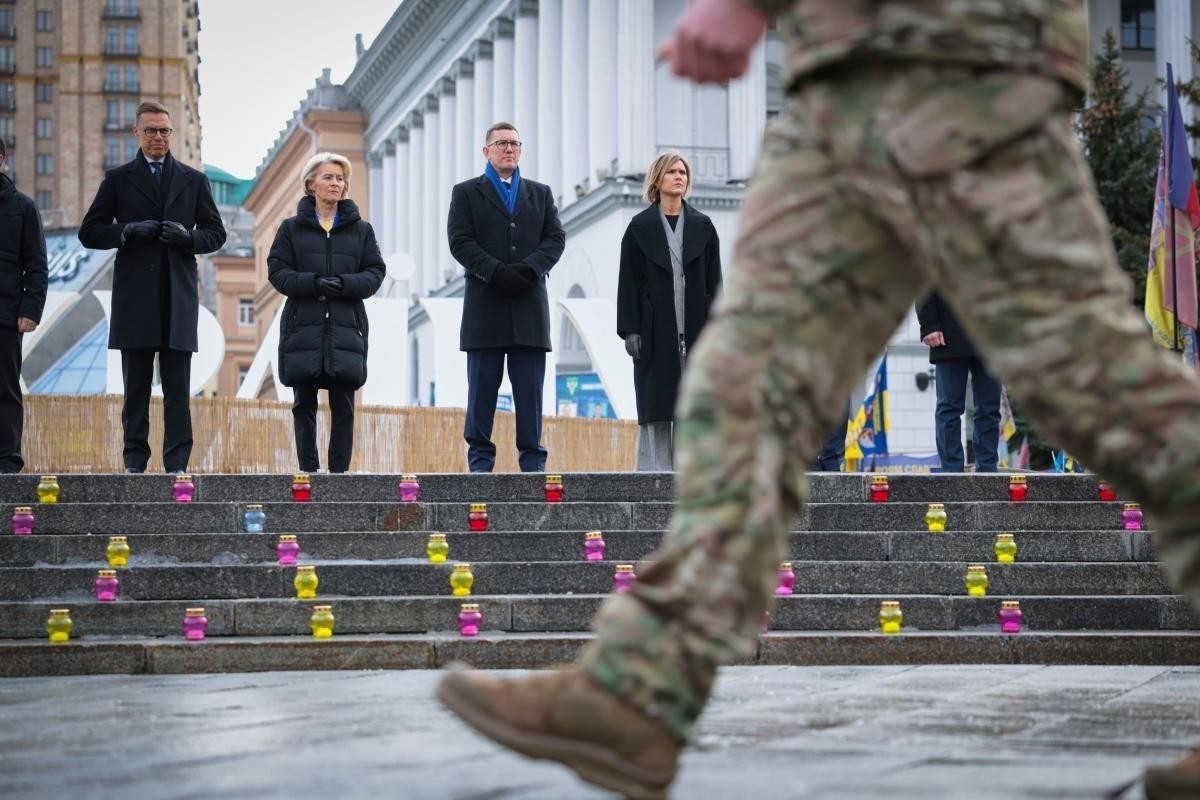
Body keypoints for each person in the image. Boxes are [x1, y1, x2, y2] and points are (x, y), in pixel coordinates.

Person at [438, 2, 1200, 799]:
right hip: (843, 83)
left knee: (1093, 379)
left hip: (960, 64)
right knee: (744, 381)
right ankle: (635, 691)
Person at [79, 101, 225, 473]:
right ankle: (134, 462)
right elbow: (89, 232)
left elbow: (216, 234)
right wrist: (126, 231)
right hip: (135, 298)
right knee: (136, 389)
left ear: (171, 133)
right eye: (150, 130)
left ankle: (177, 465)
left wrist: (188, 238)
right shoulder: (117, 179)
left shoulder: (194, 180)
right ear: (136, 133)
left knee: (178, 391)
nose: (158, 137)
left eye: (164, 130)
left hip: (178, 296)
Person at [447, 122, 565, 473]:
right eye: (501, 143)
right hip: (486, 305)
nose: (509, 149)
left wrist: (529, 269)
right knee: (482, 390)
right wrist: (496, 272)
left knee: (530, 392)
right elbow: (460, 241)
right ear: (487, 151)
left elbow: (555, 239)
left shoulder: (540, 193)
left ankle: (532, 461)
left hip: (529, 306)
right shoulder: (466, 193)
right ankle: (480, 461)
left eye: (514, 143)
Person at [267, 153, 385, 474]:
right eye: (329, 177)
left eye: (340, 178)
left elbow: (375, 273)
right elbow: (277, 272)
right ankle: (308, 472)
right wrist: (314, 283)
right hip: (303, 329)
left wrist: (344, 284)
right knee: (303, 405)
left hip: (346, 329)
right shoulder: (291, 229)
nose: (336, 183)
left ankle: (339, 475)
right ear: (311, 184)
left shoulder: (362, 230)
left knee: (344, 407)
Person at [617, 151, 722, 471]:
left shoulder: (704, 226)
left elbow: (716, 283)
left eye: (683, 172)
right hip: (654, 332)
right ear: (657, 179)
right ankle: (654, 479)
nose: (679, 177)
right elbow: (628, 283)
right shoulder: (639, 228)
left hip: (697, 330)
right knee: (657, 409)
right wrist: (631, 329)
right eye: (672, 172)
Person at [0, 137, 46, 473]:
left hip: (5, 316)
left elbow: (37, 265)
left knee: (5, 389)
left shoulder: (23, 207)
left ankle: (7, 461)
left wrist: (30, 310)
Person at [917, 290, 1002, 472]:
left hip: (991, 332)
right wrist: (929, 324)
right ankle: (952, 472)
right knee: (949, 407)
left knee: (990, 408)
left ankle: (988, 470)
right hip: (948, 332)